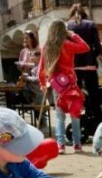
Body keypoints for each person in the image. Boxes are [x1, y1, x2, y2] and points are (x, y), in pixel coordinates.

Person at [38, 20, 90, 154]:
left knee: (59, 115)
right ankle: (77, 144)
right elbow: (85, 47)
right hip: (71, 83)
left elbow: (41, 69)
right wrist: (73, 35)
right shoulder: (67, 44)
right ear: (63, 31)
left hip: (57, 84)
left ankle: (60, 145)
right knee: (75, 113)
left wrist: (42, 83)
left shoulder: (47, 47)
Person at [67, 3, 102, 114]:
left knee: (76, 93)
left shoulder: (68, 26)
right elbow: (98, 47)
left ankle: (79, 117)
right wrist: (92, 56)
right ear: (84, 13)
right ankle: (95, 116)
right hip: (89, 64)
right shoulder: (91, 25)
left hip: (74, 66)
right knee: (93, 93)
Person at [16, 29, 42, 105]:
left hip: (35, 80)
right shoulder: (23, 51)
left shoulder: (38, 49)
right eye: (24, 38)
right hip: (26, 80)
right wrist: (21, 65)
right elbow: (19, 66)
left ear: (32, 39)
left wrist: (30, 64)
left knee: (38, 105)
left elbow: (41, 63)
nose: (25, 40)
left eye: (27, 38)